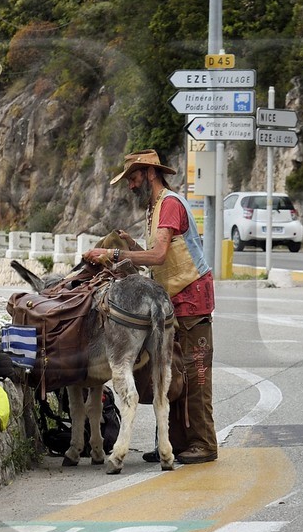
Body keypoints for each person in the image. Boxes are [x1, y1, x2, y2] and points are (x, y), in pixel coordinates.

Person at [82, 149, 217, 464]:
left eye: (133, 177)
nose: (130, 185)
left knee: (196, 375)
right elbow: (160, 255)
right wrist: (130, 246)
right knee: (175, 374)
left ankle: (205, 444)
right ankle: (177, 443)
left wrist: (115, 255)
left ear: (150, 174)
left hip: (192, 298)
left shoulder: (169, 205)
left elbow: (157, 257)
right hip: (175, 299)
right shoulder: (155, 208)